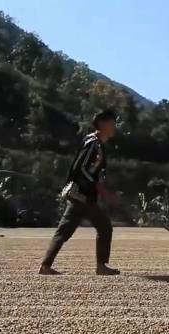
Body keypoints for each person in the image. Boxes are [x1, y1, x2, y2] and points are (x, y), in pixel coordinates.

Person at [39, 109, 121, 275]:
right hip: (83, 195)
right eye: (112, 123)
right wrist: (95, 185)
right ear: (102, 124)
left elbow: (92, 171)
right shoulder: (93, 144)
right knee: (104, 227)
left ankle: (45, 266)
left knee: (64, 231)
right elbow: (80, 168)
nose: (114, 127)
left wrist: (102, 186)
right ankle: (101, 266)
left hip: (82, 195)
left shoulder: (97, 145)